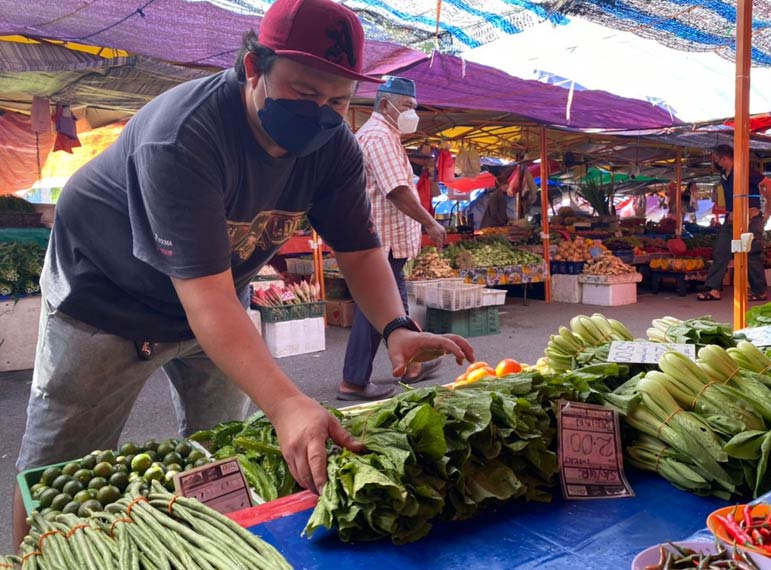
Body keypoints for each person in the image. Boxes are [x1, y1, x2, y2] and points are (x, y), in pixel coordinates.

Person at [13, 0, 474, 545]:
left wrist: (397, 328)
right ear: (254, 67)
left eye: (338, 100)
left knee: (222, 451)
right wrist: (287, 404)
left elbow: (359, 250)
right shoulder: (185, 135)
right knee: (57, 475)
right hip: (105, 300)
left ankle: (205, 547)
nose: (322, 112)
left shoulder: (334, 148)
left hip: (216, 303)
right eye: (305, 93)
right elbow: (203, 297)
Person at [338, 76, 448, 401]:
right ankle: (353, 382)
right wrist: (430, 223)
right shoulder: (379, 136)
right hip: (380, 244)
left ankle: (410, 364)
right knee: (377, 310)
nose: (412, 113)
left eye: (414, 107)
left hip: (386, 243)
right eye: (407, 106)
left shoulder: (387, 135)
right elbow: (397, 191)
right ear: (385, 105)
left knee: (389, 306)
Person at [697, 144, 771, 302]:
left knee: (751, 254)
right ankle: (713, 289)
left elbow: (769, 184)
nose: (717, 164)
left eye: (718, 160)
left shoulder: (744, 171)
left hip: (751, 219)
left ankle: (759, 291)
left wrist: (768, 209)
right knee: (721, 251)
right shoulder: (724, 175)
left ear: (725, 158)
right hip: (732, 219)